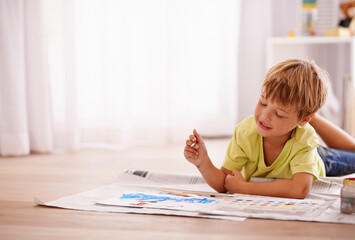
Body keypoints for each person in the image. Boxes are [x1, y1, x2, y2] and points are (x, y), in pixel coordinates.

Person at [184, 59, 330, 199]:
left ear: (304, 120)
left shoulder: (305, 138)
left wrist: (244, 188)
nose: (264, 116)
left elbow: (300, 189)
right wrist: (203, 162)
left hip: (325, 159)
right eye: (263, 103)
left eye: (279, 114)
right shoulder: (245, 132)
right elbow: (225, 183)